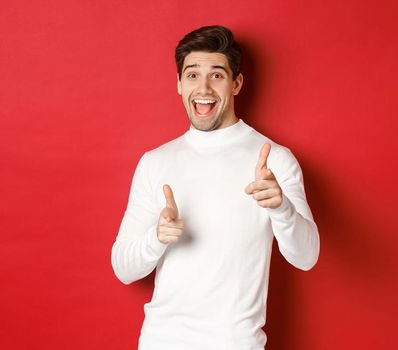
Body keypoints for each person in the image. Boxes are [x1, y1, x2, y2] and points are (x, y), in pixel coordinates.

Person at [110, 25, 320, 350]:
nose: (203, 87)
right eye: (192, 75)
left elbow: (306, 257)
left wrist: (282, 209)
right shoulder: (155, 162)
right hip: (160, 342)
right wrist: (156, 237)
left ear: (235, 84)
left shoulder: (274, 161)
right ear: (179, 84)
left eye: (217, 75)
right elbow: (124, 268)